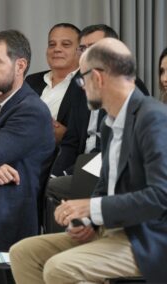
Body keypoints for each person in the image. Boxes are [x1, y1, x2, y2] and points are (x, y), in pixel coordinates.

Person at [10, 38, 167, 283]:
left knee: (60, 268)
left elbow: (160, 197)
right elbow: (106, 187)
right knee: (23, 253)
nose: (81, 88)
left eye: (82, 80)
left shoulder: (153, 117)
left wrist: (92, 208)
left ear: (98, 77)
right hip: (113, 230)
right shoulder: (109, 123)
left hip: (150, 238)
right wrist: (88, 220)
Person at [47, 24, 150, 204]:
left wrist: (73, 172)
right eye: (83, 48)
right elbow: (71, 139)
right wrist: (57, 172)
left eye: (93, 48)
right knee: (46, 182)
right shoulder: (79, 85)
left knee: (51, 187)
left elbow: (119, 144)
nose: (87, 54)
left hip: (110, 168)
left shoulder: (128, 87)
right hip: (81, 164)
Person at [25, 23, 81, 144]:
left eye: (65, 44)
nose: (57, 49)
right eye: (52, 44)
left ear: (80, 50)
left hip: (60, 158)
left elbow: (90, 137)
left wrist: (65, 135)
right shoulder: (31, 81)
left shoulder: (87, 85)